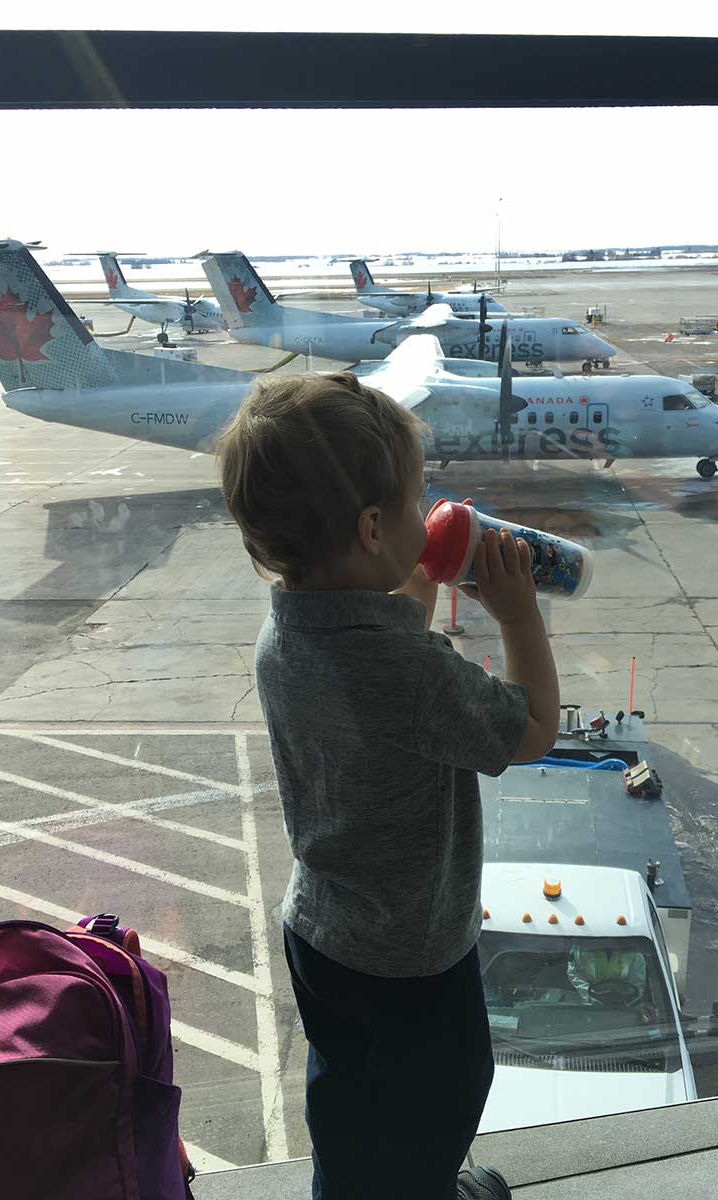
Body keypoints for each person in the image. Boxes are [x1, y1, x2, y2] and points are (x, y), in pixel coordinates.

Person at [217, 373, 560, 1200]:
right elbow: (530, 731)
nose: (427, 509)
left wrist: (423, 571)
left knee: (353, 1099)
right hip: (411, 950)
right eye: (417, 500)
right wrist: (517, 614)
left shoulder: (287, 625)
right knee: (443, 1094)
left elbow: (375, 614)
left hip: (324, 927)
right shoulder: (410, 673)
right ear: (372, 528)